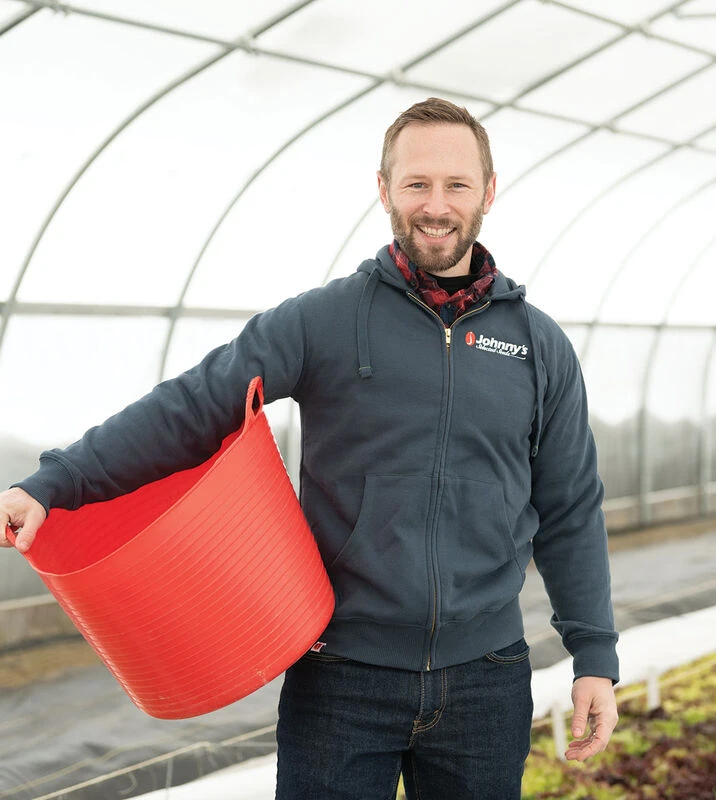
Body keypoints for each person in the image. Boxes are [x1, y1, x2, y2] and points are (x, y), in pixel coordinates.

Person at [1, 97, 619, 799]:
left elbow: (570, 506)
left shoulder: (538, 344)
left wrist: (594, 655)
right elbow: (192, 407)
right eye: (416, 184)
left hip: (488, 677)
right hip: (341, 677)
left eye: (457, 184)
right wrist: (52, 484)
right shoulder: (324, 321)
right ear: (384, 189)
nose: (436, 205)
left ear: (488, 191)